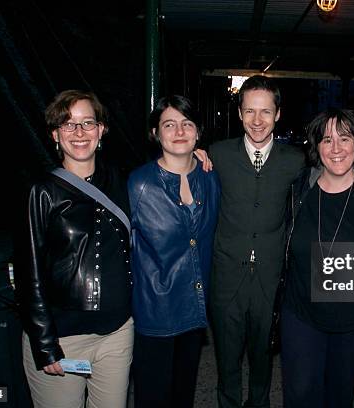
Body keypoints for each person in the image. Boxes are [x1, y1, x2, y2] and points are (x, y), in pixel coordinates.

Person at [20, 90, 133, 408]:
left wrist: (199, 156)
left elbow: (168, 168)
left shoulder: (119, 180)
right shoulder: (41, 192)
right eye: (68, 125)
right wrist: (45, 344)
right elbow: (30, 275)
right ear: (55, 135)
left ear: (102, 130)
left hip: (117, 333)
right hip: (63, 339)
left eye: (88, 122)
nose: (80, 132)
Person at [280, 108, 354, 407]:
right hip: (300, 313)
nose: (336, 148)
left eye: (344, 138)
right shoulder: (298, 189)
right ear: (316, 147)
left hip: (352, 322)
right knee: (300, 395)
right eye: (327, 140)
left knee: (339, 399)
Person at [209, 75, 305, 408]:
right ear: (239, 113)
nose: (257, 120)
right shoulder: (216, 156)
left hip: (270, 276)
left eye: (265, 112)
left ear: (278, 113)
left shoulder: (295, 161)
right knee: (227, 359)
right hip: (226, 276)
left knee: (263, 358)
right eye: (250, 111)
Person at [128, 95, 220, 408]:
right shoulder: (139, 184)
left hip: (193, 311)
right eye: (169, 124)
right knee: (152, 399)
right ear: (156, 133)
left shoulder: (209, 177)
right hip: (155, 313)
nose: (179, 131)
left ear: (197, 132)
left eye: (187, 124)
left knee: (183, 397)